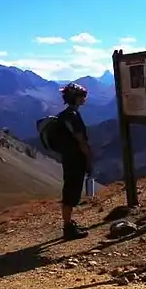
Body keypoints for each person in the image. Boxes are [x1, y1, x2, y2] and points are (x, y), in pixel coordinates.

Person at [56, 82, 92, 240]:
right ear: (75, 98)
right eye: (82, 96)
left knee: (69, 189)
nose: (84, 98)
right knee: (72, 191)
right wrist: (89, 157)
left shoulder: (64, 115)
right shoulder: (73, 116)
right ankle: (68, 228)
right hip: (76, 158)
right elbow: (80, 140)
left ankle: (68, 223)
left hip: (67, 157)